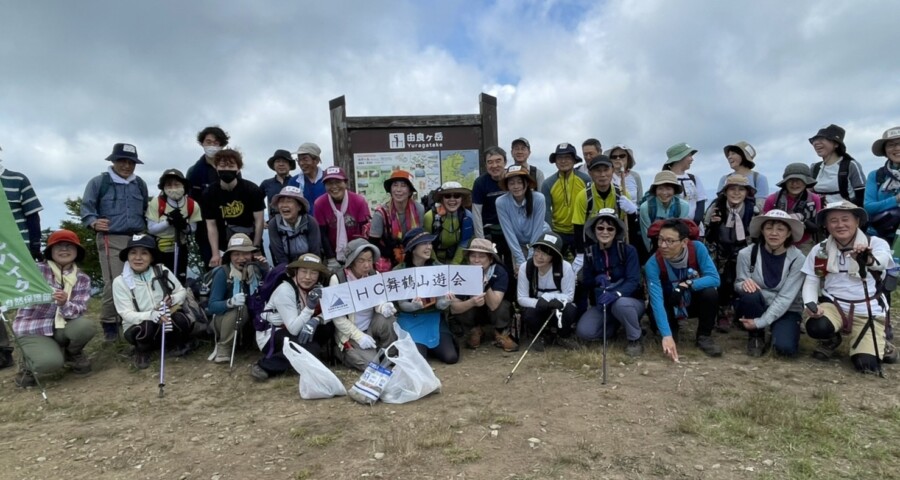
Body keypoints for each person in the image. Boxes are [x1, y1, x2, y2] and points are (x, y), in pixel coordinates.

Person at [802, 201, 897, 372]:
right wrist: (810, 304)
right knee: (817, 326)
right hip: (834, 305)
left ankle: (880, 342)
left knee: (866, 365)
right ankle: (830, 339)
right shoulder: (821, 249)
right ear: (826, 225)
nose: (840, 225)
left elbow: (881, 262)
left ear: (857, 221)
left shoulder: (875, 243)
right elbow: (812, 278)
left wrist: (867, 259)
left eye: (845, 219)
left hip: (868, 308)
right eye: (833, 221)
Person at [81, 143, 149, 342]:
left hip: (137, 238)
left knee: (139, 279)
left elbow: (145, 209)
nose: (127, 166)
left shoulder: (140, 184)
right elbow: (87, 208)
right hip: (111, 237)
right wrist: (93, 222)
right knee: (115, 281)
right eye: (122, 161)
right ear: (113, 161)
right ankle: (110, 322)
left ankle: (135, 318)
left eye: (131, 162)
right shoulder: (99, 182)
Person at [12, 230, 95, 387]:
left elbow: (79, 309)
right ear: (50, 251)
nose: (64, 249)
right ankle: (28, 365)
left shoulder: (82, 278)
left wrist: (64, 303)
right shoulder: (34, 270)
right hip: (32, 327)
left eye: (69, 246)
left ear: (77, 251)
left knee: (85, 326)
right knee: (50, 363)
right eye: (59, 246)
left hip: (62, 325)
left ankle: (72, 353)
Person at [645, 219, 722, 361]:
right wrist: (667, 335)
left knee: (710, 293)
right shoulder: (653, 263)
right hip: (668, 302)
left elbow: (714, 278)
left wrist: (687, 284)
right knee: (669, 334)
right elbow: (657, 301)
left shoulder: (697, 248)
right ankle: (670, 329)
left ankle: (704, 336)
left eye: (670, 241)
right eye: (660, 239)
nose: (663, 246)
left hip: (691, 300)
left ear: (684, 242)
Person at [112, 235, 193, 369]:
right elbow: (125, 313)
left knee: (181, 319)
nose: (138, 258)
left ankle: (174, 344)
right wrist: (150, 315)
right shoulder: (119, 282)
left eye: (144, 253)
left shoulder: (162, 271)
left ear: (152, 257)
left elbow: (181, 292)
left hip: (165, 317)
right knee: (146, 327)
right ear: (127, 256)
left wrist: (172, 299)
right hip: (138, 325)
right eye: (133, 253)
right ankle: (142, 351)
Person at [251, 253, 335, 381]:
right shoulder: (285, 290)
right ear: (296, 272)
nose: (308, 277)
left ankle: (307, 355)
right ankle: (265, 366)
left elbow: (331, 312)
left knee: (327, 327)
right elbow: (294, 329)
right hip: (273, 334)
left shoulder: (316, 288)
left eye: (314, 273)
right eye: (304, 271)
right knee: (312, 348)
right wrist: (309, 308)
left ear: (319, 276)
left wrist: (316, 320)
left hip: (295, 328)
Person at [733, 210, 806, 357]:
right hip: (757, 303)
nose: (774, 233)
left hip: (788, 308)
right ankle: (756, 336)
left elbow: (786, 297)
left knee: (785, 350)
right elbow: (738, 283)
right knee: (750, 293)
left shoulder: (798, 259)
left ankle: (772, 328)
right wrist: (744, 285)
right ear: (762, 231)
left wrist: (761, 322)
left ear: (789, 233)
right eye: (769, 228)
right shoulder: (746, 254)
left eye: (780, 229)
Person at [575, 210, 645, 356]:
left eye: (610, 228)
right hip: (603, 305)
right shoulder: (590, 252)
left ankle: (635, 339)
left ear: (616, 231)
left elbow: (634, 281)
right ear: (594, 230)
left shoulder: (628, 251)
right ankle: (615, 326)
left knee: (621, 305)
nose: (605, 232)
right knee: (584, 332)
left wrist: (617, 294)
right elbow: (586, 281)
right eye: (600, 228)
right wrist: (596, 279)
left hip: (628, 302)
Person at [0, 147, 45, 368]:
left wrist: (35, 246)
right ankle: (3, 350)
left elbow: (32, 215)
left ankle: (38, 342)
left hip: (18, 250)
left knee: (28, 294)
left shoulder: (17, 179)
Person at [329, 239, 398, 371]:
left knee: (388, 319)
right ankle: (344, 352)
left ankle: (389, 355)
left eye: (369, 260)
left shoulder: (374, 274)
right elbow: (337, 317)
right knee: (371, 365)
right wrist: (358, 336)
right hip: (352, 331)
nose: (367, 265)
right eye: (361, 261)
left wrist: (383, 307)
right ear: (352, 261)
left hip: (372, 325)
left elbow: (379, 300)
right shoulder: (338, 279)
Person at [703, 174, 760, 332]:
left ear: (747, 193)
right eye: (732, 189)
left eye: (741, 189)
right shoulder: (715, 207)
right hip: (720, 249)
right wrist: (713, 225)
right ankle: (722, 313)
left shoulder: (753, 210)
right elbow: (707, 233)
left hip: (744, 249)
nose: (736, 193)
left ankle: (741, 313)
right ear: (725, 192)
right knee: (722, 281)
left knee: (743, 280)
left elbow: (757, 234)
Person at [394, 228, 457, 364]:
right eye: (424, 243)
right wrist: (414, 306)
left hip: (433, 317)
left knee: (451, 357)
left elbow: (439, 303)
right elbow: (402, 304)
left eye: (430, 243)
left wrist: (446, 302)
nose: (429, 247)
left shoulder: (437, 267)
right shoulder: (400, 271)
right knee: (419, 361)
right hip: (410, 318)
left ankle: (433, 347)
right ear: (413, 248)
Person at [206, 233, 268, 364]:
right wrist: (230, 302)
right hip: (224, 319)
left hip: (251, 317)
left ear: (252, 255)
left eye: (245, 253)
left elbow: (270, 292)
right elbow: (212, 306)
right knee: (241, 308)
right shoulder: (223, 273)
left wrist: (266, 270)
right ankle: (224, 346)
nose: (241, 258)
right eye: (236, 254)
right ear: (230, 256)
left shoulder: (257, 270)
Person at [571, 155, 637, 276]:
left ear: (612, 170)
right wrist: (580, 254)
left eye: (606, 170)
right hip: (592, 242)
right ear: (590, 173)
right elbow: (578, 227)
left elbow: (629, 226)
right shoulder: (583, 196)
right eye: (598, 171)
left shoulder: (622, 194)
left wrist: (633, 212)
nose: (602, 175)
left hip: (615, 241)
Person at [201, 149, 266, 268]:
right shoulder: (209, 193)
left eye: (231, 166)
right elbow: (211, 225)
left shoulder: (252, 190)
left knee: (256, 271)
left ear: (238, 168)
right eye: (222, 166)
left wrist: (256, 248)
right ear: (216, 168)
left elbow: (259, 221)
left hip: (250, 240)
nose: (226, 169)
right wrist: (215, 254)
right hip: (224, 243)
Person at [450, 238, 516, 351]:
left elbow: (494, 305)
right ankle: (475, 330)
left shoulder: (499, 271)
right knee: (462, 306)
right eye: (473, 256)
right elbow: (453, 308)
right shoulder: (461, 274)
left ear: (490, 259)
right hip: (474, 309)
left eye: (482, 256)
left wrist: (485, 284)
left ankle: (500, 331)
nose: (476, 260)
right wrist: (471, 302)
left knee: (502, 307)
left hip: (492, 309)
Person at [516, 233, 578, 350]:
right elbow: (521, 298)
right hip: (538, 307)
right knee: (529, 314)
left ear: (554, 256)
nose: (539, 256)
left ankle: (563, 335)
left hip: (557, 307)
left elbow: (569, 296)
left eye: (546, 253)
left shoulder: (565, 267)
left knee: (570, 310)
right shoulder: (526, 267)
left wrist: (549, 298)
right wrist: (539, 303)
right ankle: (541, 336)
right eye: (538, 251)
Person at [146, 169, 201, 285]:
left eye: (177, 184)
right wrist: (168, 222)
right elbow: (151, 229)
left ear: (184, 185)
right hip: (159, 247)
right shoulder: (156, 203)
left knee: (179, 279)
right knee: (160, 279)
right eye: (169, 185)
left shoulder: (192, 204)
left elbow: (192, 229)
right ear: (163, 187)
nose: (173, 188)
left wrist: (183, 225)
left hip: (180, 246)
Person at [186, 125, 230, 267]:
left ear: (222, 145)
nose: (212, 146)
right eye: (208, 142)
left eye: (216, 143)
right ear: (202, 143)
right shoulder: (194, 171)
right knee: (211, 266)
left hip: (229, 225)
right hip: (204, 227)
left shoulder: (230, 167)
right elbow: (191, 201)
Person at [313, 166, 371, 272]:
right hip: (332, 253)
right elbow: (322, 234)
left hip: (357, 251)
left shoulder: (359, 201)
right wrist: (331, 258)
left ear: (346, 183)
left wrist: (358, 256)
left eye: (338, 182)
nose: (334, 186)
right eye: (329, 183)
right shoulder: (319, 203)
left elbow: (364, 231)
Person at [496, 165, 550, 277]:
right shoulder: (501, 202)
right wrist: (520, 260)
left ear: (527, 183)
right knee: (520, 274)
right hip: (518, 244)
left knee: (540, 273)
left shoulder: (539, 198)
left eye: (520, 182)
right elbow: (508, 232)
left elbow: (538, 229)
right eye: (511, 183)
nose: (516, 186)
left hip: (540, 240)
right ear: (507, 185)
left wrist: (530, 258)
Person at [541, 143, 591, 257]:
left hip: (581, 230)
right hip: (557, 232)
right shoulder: (548, 183)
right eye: (559, 158)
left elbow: (591, 206)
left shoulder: (586, 180)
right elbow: (546, 210)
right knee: (555, 264)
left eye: (567, 157)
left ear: (574, 160)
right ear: (555, 161)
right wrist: (550, 233)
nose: (563, 161)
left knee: (583, 263)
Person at [763, 163, 822, 254]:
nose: (794, 184)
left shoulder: (814, 199)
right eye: (790, 180)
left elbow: (816, 225)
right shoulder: (772, 199)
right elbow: (764, 224)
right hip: (776, 242)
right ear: (785, 182)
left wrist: (802, 220)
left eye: (799, 180)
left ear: (806, 182)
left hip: (804, 242)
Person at [370, 170, 424, 269]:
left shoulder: (419, 209)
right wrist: (392, 253)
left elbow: (419, 237)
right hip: (388, 260)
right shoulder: (381, 213)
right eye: (395, 185)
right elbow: (373, 243)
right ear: (390, 190)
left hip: (411, 258)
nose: (398, 190)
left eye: (403, 186)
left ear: (410, 191)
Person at [473, 147, 514, 278]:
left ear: (505, 162)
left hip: (512, 230)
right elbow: (476, 213)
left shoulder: (513, 178)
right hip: (490, 232)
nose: (494, 165)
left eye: (498, 161)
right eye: (490, 162)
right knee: (493, 266)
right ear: (485, 165)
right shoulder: (480, 183)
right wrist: (481, 241)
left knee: (512, 266)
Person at [606, 144, 647, 263]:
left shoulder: (635, 176)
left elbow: (640, 199)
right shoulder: (608, 176)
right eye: (614, 156)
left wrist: (634, 210)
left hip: (631, 219)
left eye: (622, 156)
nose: (618, 159)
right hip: (613, 218)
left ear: (628, 158)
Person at [809, 124, 865, 206]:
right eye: (814, 140)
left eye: (822, 139)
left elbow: (862, 196)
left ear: (836, 144)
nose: (816, 143)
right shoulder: (815, 168)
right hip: (820, 212)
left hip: (845, 212)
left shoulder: (851, 165)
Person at [266, 186, 321, 266]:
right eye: (281, 202)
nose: (284, 205)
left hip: (309, 264)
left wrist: (306, 269)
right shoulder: (273, 224)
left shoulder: (310, 222)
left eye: (289, 201)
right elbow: (279, 254)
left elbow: (315, 251)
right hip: (285, 266)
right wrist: (289, 270)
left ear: (299, 206)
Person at [424, 181, 475, 265]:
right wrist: (435, 263)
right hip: (433, 259)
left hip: (459, 258)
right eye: (447, 196)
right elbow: (427, 242)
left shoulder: (467, 216)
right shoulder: (430, 217)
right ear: (441, 199)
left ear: (462, 199)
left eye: (457, 196)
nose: (452, 199)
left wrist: (455, 264)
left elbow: (465, 241)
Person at [864, 127, 900, 246]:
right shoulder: (875, 175)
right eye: (891, 145)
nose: (897, 148)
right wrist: (896, 199)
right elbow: (869, 207)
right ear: (885, 150)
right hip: (880, 238)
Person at [639, 171, 690, 250]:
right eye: (660, 188)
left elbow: (682, 232)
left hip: (676, 247)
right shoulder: (646, 208)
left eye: (668, 189)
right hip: (655, 246)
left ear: (674, 190)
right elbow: (647, 236)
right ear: (655, 190)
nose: (664, 192)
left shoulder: (683, 206)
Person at [663, 142, 707, 230]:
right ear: (680, 158)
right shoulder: (665, 180)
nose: (692, 159)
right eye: (689, 156)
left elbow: (700, 202)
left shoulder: (693, 178)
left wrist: (695, 223)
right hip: (673, 229)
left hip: (695, 229)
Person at [287, 142, 327, 214]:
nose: (301, 163)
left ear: (316, 161)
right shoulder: (294, 182)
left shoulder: (327, 179)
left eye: (305, 159)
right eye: (299, 160)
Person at [259, 149, 296, 218]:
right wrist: (261, 220)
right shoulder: (266, 183)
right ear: (273, 165)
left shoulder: (297, 182)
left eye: (284, 161)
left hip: (295, 221)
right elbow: (256, 202)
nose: (281, 164)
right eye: (278, 161)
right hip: (274, 222)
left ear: (290, 165)